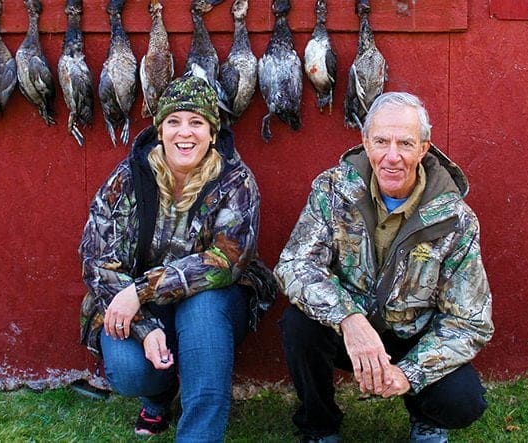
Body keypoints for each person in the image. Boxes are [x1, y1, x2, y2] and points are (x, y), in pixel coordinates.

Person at [275, 92, 494, 443]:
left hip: (413, 338)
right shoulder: (333, 190)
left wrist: (409, 373)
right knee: (299, 325)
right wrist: (349, 320)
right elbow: (294, 263)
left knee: (463, 401)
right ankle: (319, 426)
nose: (392, 157)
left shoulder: (455, 218)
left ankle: (426, 420)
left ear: (424, 148)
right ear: (365, 142)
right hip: (349, 334)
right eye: (381, 141)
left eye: (405, 143)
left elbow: (470, 322)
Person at [78, 74, 276, 442]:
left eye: (197, 122)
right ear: (160, 130)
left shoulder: (235, 182)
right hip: (144, 305)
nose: (185, 133)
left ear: (212, 133)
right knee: (127, 370)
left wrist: (141, 290)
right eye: (174, 121)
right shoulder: (128, 178)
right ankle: (158, 395)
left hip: (211, 304)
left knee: (202, 308)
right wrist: (143, 324)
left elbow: (225, 261)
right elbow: (96, 258)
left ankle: (198, 434)